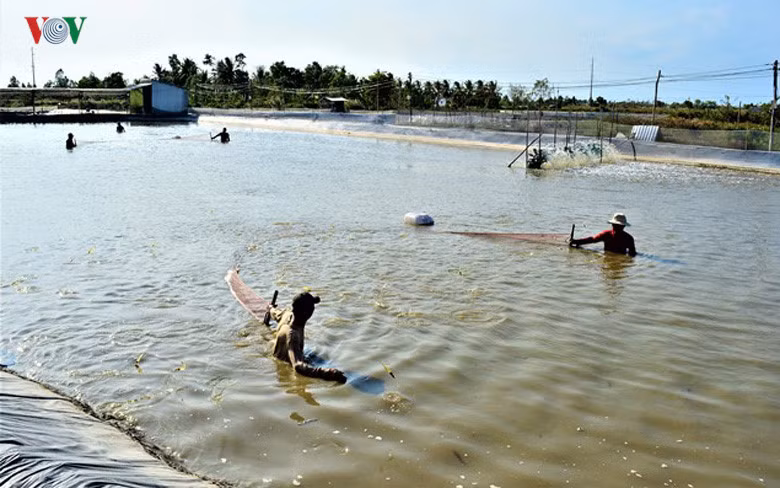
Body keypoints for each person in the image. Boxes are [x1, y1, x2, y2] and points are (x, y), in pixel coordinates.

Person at [267, 291, 347, 383]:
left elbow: (274, 312)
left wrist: (270, 308)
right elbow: (297, 366)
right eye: (312, 307)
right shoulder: (293, 335)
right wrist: (326, 373)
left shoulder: (287, 314)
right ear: (308, 313)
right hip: (284, 365)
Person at [569, 212, 636, 256]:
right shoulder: (606, 235)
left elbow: (632, 254)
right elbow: (592, 239)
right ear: (612, 225)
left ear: (623, 226)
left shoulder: (629, 239)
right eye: (616, 225)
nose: (617, 227)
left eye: (620, 226)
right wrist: (576, 241)